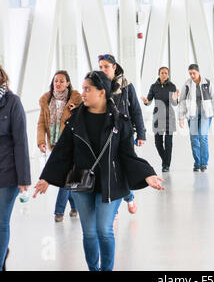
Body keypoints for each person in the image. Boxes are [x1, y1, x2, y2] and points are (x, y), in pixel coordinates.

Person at [33, 70, 164, 271]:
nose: (83, 93)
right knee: (90, 233)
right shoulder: (75, 120)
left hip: (111, 182)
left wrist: (148, 174)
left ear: (102, 92)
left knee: (104, 230)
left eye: (88, 89)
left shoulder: (120, 122)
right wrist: (46, 178)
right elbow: (62, 152)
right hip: (81, 181)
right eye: (83, 88)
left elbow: (128, 156)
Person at [98, 54, 145, 214]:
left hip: (124, 132)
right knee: (108, 169)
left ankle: (130, 197)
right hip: (105, 133)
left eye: (106, 66)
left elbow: (136, 110)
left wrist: (141, 134)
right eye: (101, 67)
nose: (103, 70)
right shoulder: (98, 85)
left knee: (124, 165)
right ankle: (114, 209)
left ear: (114, 67)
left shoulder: (126, 85)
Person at [37, 70, 82, 222]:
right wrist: (41, 141)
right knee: (67, 179)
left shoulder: (75, 100)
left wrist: (74, 109)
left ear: (68, 83)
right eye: (56, 81)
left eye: (62, 81)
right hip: (54, 144)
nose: (59, 83)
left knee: (65, 178)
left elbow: (80, 120)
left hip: (70, 145)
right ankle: (75, 206)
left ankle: (59, 211)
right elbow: (41, 123)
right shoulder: (47, 100)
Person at [0, 65, 31, 271]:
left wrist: (24, 178)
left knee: (1, 221)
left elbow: (21, 141)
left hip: (7, 172)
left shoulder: (12, 102)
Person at [178, 64, 214, 172]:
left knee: (203, 136)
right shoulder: (187, 84)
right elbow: (182, 100)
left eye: (194, 73)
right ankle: (197, 163)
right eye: (190, 73)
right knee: (194, 138)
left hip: (205, 113)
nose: (192, 75)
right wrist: (181, 117)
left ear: (199, 72)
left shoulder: (207, 82)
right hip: (192, 113)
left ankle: (204, 163)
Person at [141, 67, 179, 172]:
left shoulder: (172, 86)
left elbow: (174, 104)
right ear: (159, 74)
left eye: (166, 73)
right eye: (162, 73)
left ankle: (166, 166)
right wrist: (146, 101)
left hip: (169, 117)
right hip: (157, 117)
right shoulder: (154, 87)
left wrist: (175, 99)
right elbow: (148, 101)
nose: (164, 75)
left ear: (168, 74)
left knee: (168, 142)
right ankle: (165, 161)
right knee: (158, 142)